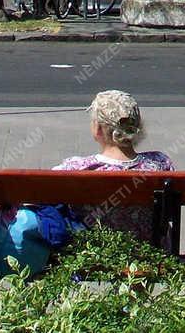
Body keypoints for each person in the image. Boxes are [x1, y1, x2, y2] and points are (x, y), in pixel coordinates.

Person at [54, 89, 174, 238]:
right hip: (152, 255)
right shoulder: (160, 163)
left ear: (97, 128)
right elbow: (169, 214)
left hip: (90, 255)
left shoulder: (76, 168)